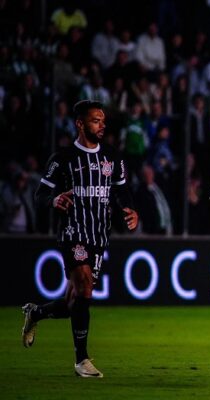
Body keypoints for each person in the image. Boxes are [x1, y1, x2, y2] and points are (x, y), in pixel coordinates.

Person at [22, 100, 139, 378]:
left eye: (103, 120)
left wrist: (131, 210)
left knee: (75, 302)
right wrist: (55, 200)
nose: (102, 125)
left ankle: (36, 313)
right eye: (96, 120)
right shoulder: (62, 159)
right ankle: (81, 360)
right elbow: (40, 196)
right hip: (73, 232)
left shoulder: (112, 157)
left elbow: (123, 192)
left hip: (99, 234)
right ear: (80, 123)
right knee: (85, 290)